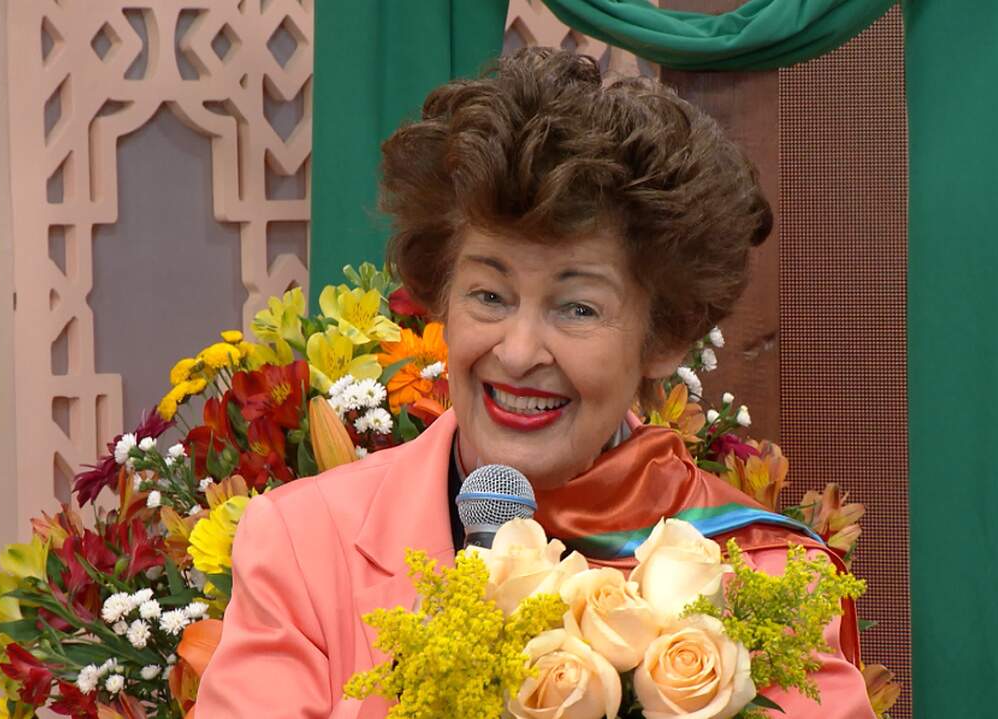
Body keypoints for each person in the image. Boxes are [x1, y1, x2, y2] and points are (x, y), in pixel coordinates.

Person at [195, 48, 875, 718]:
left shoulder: (766, 571)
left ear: (665, 337)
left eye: (577, 308)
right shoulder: (303, 544)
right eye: (489, 296)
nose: (518, 353)